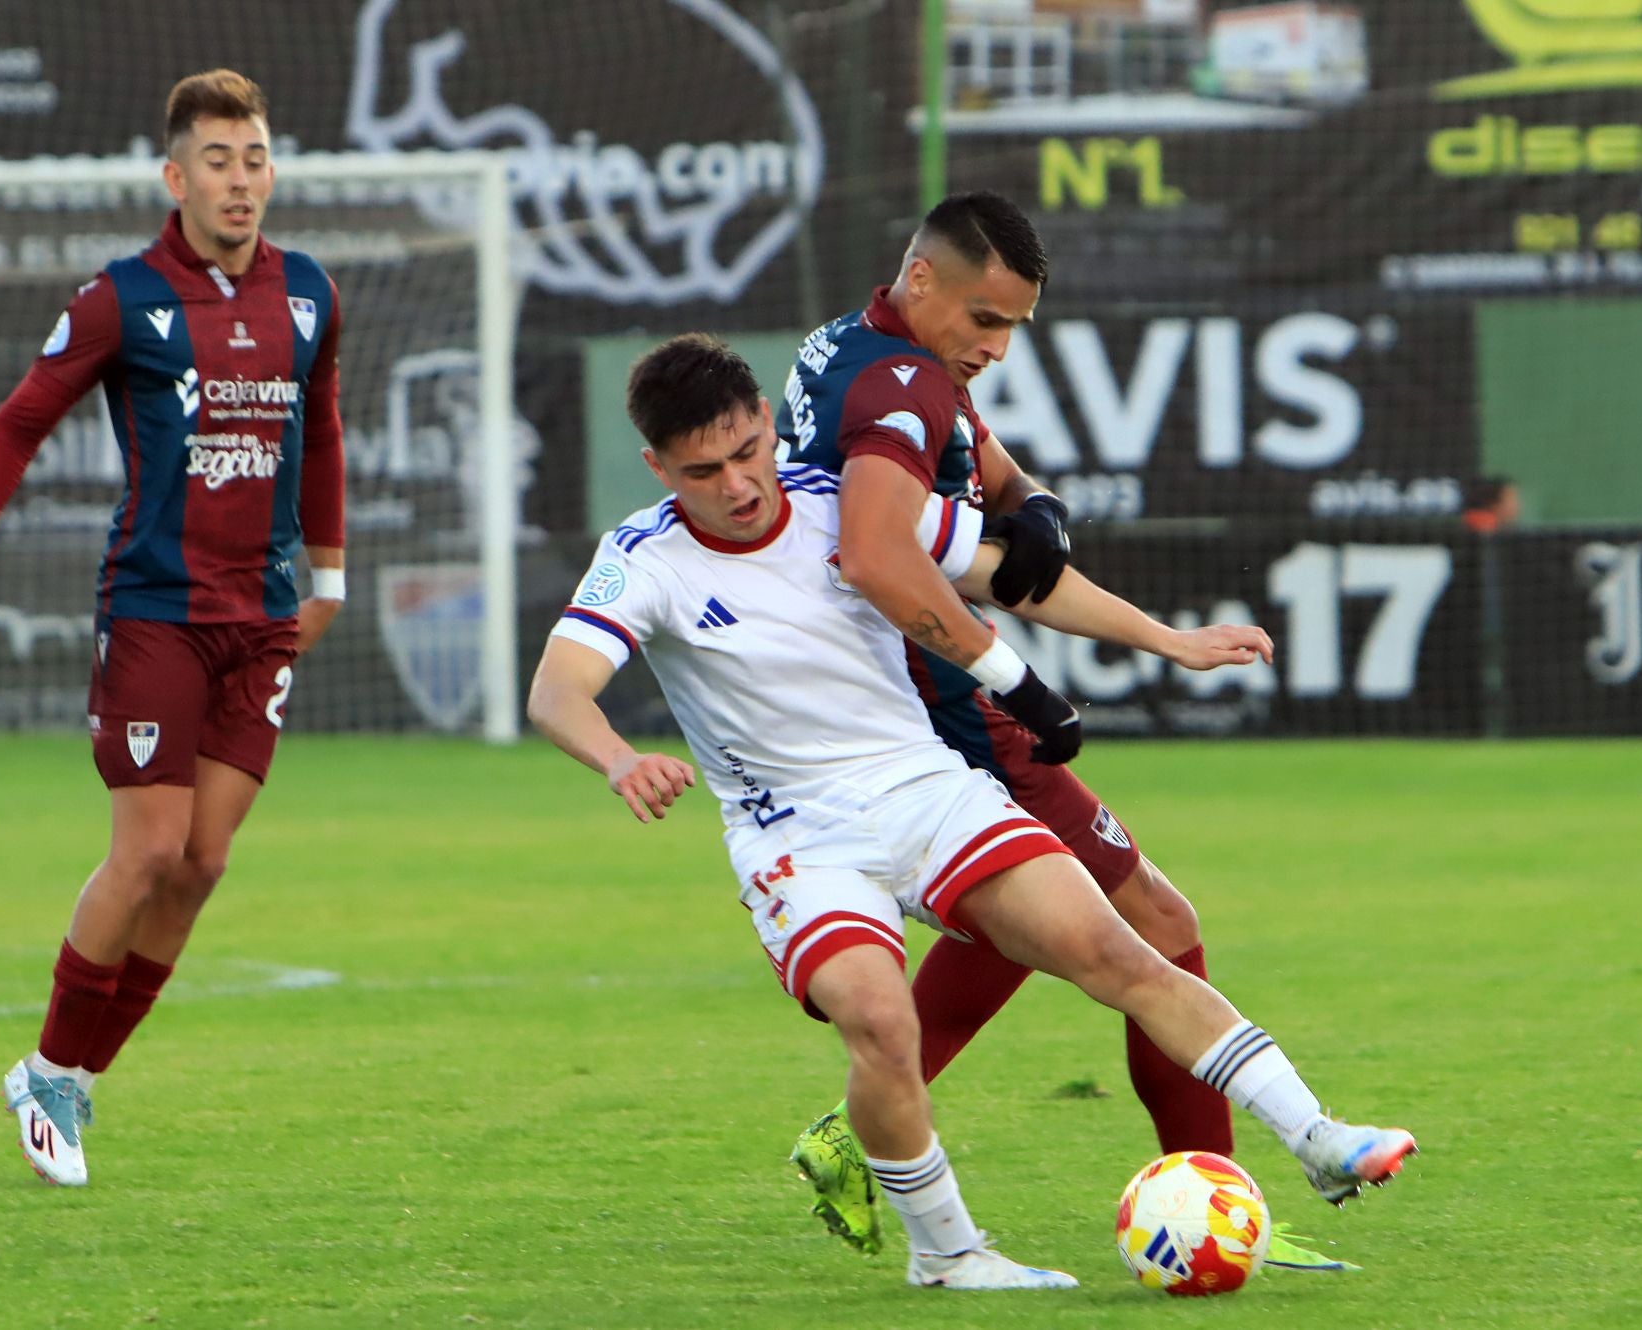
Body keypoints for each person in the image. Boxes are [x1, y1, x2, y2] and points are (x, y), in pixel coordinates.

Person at [528, 333, 1415, 1291]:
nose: (740, 485)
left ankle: (1316, 1136)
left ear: (764, 430)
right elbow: (558, 691)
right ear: (659, 466)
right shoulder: (643, 559)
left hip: (929, 793)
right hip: (798, 840)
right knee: (878, 1020)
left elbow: (1016, 578)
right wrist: (621, 762)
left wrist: (1172, 641)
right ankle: (948, 1254)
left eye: (748, 452)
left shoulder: (844, 508)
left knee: (1121, 951)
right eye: (705, 471)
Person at [775, 190, 1346, 1270]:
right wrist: (1009, 673)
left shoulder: (863, 348)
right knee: (1152, 930)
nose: (995, 346)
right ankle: (1225, 1204)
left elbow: (991, 474)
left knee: (1045, 930)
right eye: (984, 320)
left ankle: (858, 1130)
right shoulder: (901, 385)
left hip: (925, 705)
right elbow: (877, 553)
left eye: (1015, 328)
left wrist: (1036, 506)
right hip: (947, 711)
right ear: (924, 276)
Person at [0, 69, 346, 1187]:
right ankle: (53, 1066)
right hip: (157, 610)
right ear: (176, 177)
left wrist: (333, 574)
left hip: (261, 619)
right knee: (151, 847)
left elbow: (330, 431)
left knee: (203, 863)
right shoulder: (124, 297)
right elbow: (21, 421)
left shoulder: (309, 294)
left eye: (255, 157)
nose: (241, 179)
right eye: (219, 160)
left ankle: (69, 1078)